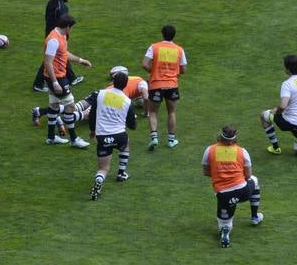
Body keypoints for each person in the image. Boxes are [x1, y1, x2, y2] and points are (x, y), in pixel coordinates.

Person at [202, 124, 263, 248]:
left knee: (225, 223)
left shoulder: (210, 150)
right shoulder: (242, 151)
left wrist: (219, 175)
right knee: (254, 180)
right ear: (235, 138)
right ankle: (255, 217)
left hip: (223, 194)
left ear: (220, 136)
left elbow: (206, 172)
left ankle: (225, 231)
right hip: (243, 191)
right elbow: (248, 175)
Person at [85, 70, 138, 200]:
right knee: (126, 145)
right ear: (125, 85)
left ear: (113, 82)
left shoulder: (101, 94)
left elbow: (92, 114)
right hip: (119, 135)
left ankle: (99, 180)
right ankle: (121, 173)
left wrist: (92, 131)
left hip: (102, 137)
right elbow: (133, 125)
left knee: (103, 168)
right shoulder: (127, 101)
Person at [41, 14, 92, 148]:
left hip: (57, 76)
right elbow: (48, 63)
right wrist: (55, 83)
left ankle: (51, 137)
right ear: (68, 26)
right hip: (57, 77)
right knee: (70, 106)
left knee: (54, 106)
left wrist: (81, 61)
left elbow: (64, 53)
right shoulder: (53, 40)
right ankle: (74, 139)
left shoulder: (61, 36)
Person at [260, 54, 297, 164]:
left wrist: (275, 111)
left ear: (287, 69)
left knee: (263, 115)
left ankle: (275, 148)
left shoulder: (287, 84)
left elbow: (283, 106)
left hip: (287, 122)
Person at [143, 24, 187, 149]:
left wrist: (153, 72)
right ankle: (171, 140)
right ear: (174, 35)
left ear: (162, 34)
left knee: (152, 112)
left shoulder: (154, 47)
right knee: (171, 112)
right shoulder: (179, 50)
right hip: (172, 85)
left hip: (156, 84)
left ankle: (154, 138)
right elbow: (183, 69)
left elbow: (145, 64)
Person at [32, 0, 81, 92]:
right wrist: (64, 35)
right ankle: (38, 83)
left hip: (50, 32)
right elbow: (65, 22)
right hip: (56, 35)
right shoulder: (62, 7)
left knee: (59, 55)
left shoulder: (51, 2)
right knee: (51, 59)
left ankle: (72, 77)